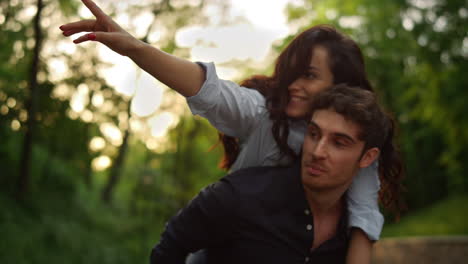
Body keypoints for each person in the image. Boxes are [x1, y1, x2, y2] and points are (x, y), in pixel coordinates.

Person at [60, 0, 397, 262]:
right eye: (291, 72)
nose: (293, 85)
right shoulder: (265, 114)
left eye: (309, 76)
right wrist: (134, 46)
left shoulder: (355, 152)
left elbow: (363, 221)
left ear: (341, 87)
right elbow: (208, 89)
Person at [150, 84, 405, 263]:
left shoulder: (353, 232)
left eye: (339, 142)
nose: (318, 151)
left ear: (367, 157)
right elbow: (168, 249)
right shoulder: (239, 195)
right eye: (314, 134)